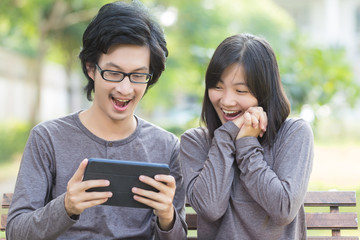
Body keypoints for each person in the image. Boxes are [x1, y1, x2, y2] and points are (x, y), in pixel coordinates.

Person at [6, 1, 187, 239]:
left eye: (138, 75)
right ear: (91, 68)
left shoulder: (167, 146)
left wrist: (166, 217)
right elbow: (17, 232)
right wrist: (66, 207)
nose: (125, 88)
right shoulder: (48, 138)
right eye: (113, 73)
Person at [180, 33, 314, 240]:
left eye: (240, 91)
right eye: (217, 87)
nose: (226, 101)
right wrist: (226, 137)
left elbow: (283, 208)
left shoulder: (294, 133)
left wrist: (246, 144)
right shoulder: (195, 142)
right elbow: (210, 209)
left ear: (264, 92)